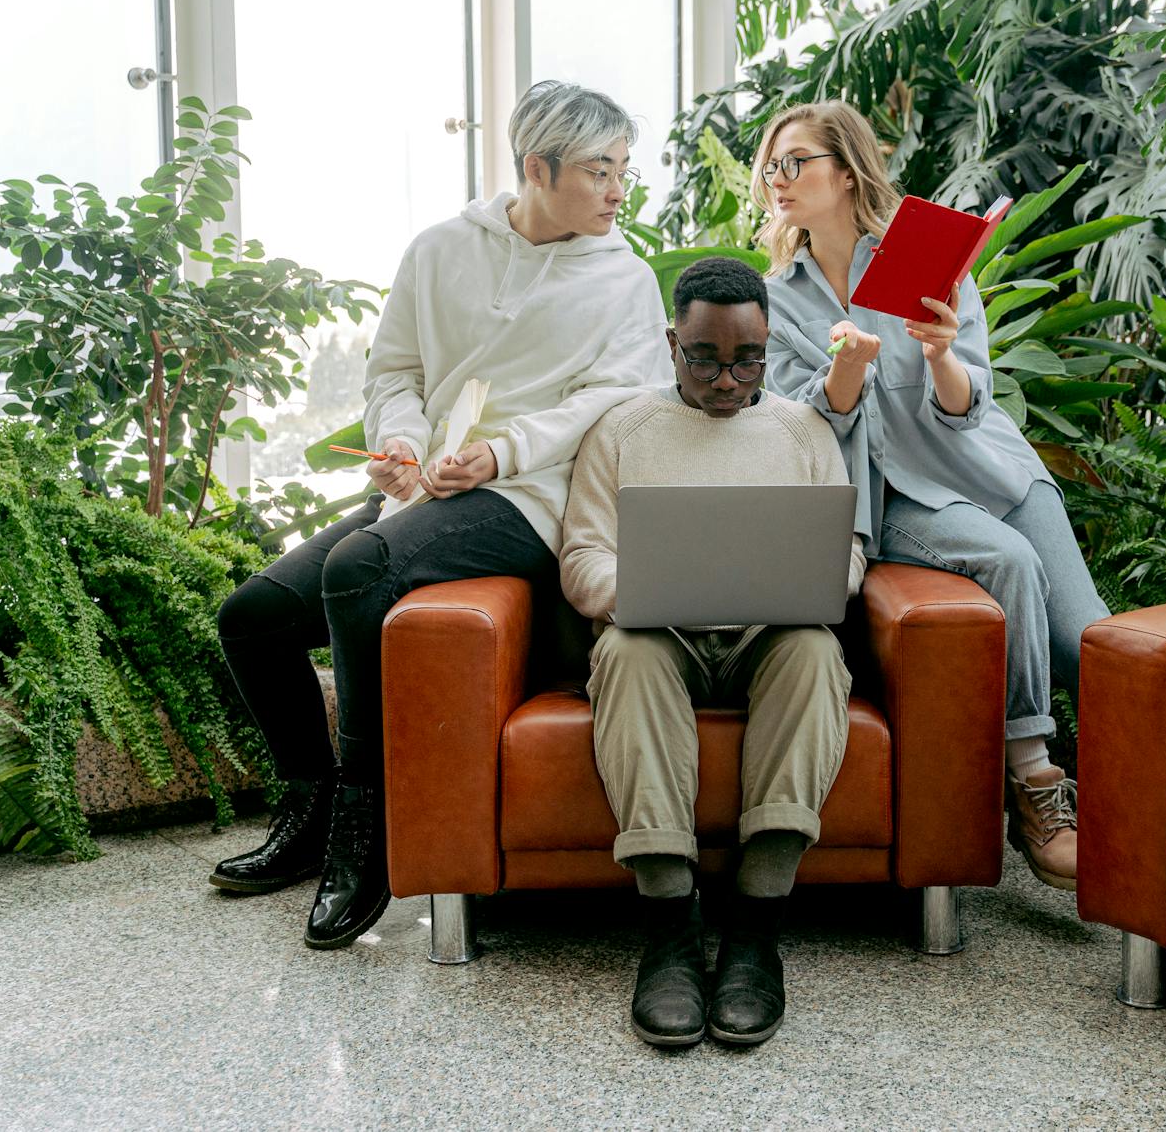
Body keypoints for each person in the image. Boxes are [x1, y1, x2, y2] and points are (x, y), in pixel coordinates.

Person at [209, 81, 671, 948]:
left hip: (534, 499)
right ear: (537, 168)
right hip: (427, 491)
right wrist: (404, 447)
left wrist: (503, 453)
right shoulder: (439, 250)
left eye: (623, 170)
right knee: (254, 617)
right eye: (600, 170)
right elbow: (396, 373)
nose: (619, 190)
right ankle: (308, 814)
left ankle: (368, 823)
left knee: (360, 569)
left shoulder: (626, 279)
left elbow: (614, 400)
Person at [755, 100, 1110, 893]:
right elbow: (803, 429)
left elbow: (967, 404)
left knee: (1089, 642)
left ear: (845, 172)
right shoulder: (776, 303)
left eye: (796, 163)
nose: (778, 181)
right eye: (771, 167)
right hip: (898, 499)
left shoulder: (925, 259)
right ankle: (1035, 781)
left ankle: (1154, 811)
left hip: (993, 472)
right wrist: (845, 374)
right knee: (1009, 563)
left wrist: (943, 352)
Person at [560, 257, 865, 1048]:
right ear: (672, 344)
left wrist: (808, 579)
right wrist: (640, 588)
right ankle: (669, 924)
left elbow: (849, 555)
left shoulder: (802, 430)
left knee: (812, 649)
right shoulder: (622, 429)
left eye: (747, 360)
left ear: (768, 347)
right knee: (627, 651)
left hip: (768, 638)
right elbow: (583, 555)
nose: (728, 380)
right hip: (659, 636)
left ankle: (755, 926)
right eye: (705, 359)